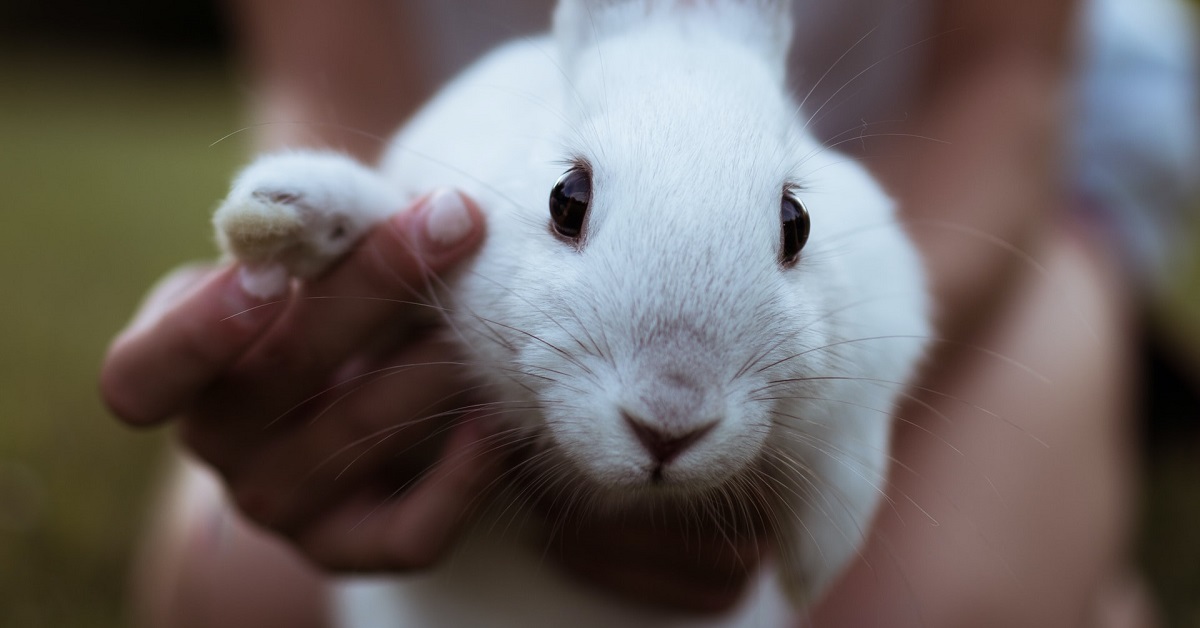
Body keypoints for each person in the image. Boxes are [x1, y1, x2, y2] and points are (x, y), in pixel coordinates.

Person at [102, 0, 1192, 625]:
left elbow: (1000, 90)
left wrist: (832, 420)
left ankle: (1096, 542)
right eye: (571, 207)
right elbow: (348, 102)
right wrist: (323, 307)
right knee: (240, 588)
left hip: (975, 167)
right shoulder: (517, 120)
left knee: (929, 610)